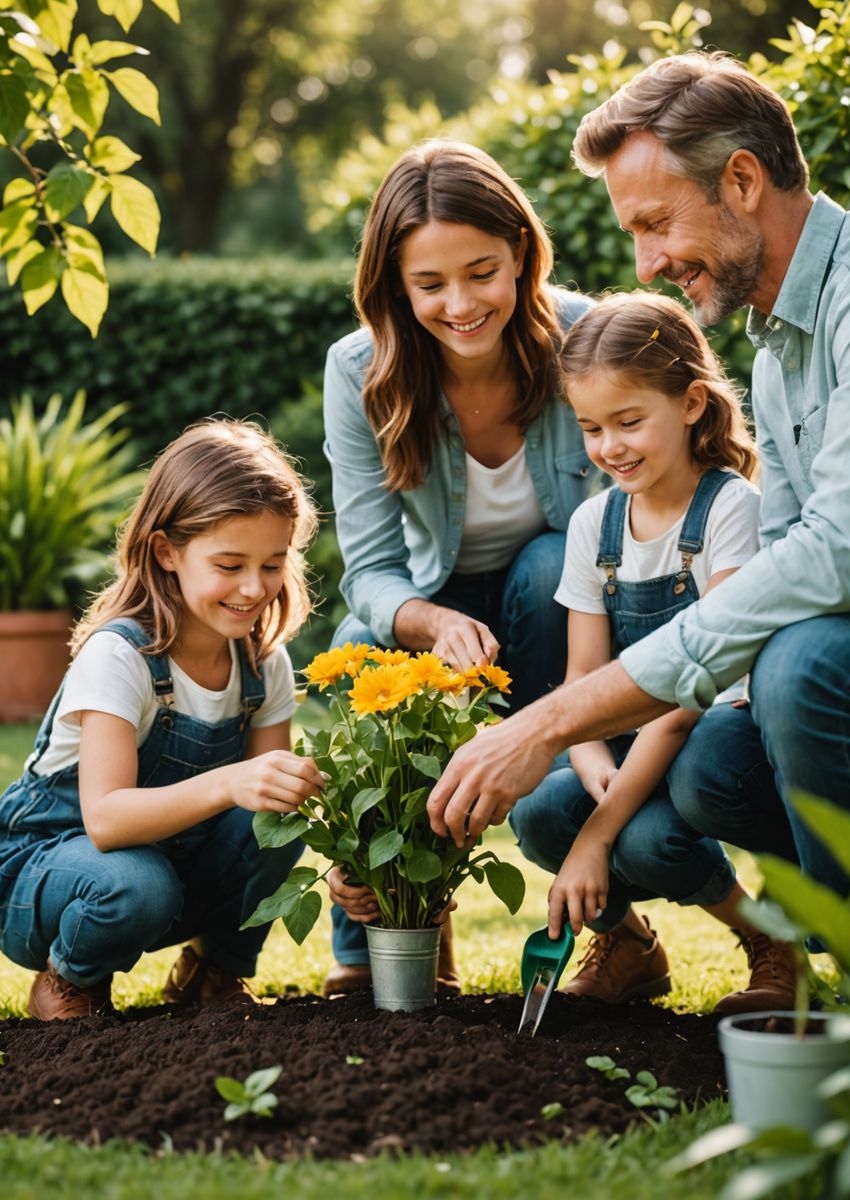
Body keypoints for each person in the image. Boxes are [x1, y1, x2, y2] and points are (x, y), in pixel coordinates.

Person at [426, 51, 850, 941]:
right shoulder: (777, 339)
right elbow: (786, 553)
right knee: (715, 761)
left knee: (809, 664)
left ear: (742, 179)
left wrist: (550, 722)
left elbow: (839, 553)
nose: (646, 262)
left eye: (656, 223)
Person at [321, 139, 598, 995]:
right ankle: (378, 935)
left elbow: (620, 527)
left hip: (558, 596)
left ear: (521, 252)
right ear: (395, 287)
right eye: (429, 284)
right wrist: (431, 622)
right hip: (426, 601)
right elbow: (367, 567)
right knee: (361, 638)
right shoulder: (359, 368)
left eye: (482, 272)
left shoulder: (587, 336)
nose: (461, 304)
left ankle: (617, 929)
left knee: (551, 564)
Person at [0, 420, 324, 1019]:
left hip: (170, 871)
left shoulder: (262, 660)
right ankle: (68, 979)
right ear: (167, 551)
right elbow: (106, 821)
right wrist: (228, 782)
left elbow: (265, 805)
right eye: (230, 563)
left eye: (272, 564)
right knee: (137, 882)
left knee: (276, 815)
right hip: (46, 879)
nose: (254, 587)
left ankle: (214, 970)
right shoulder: (120, 657)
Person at [508, 292, 795, 1011]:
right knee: (540, 813)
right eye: (591, 428)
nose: (609, 448)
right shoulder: (592, 524)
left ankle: (771, 942)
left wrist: (599, 833)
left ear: (693, 402)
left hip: (709, 742)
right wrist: (592, 763)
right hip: (631, 744)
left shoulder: (732, 509)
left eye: (630, 422)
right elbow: (583, 678)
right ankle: (629, 944)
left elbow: (688, 698)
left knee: (642, 844)